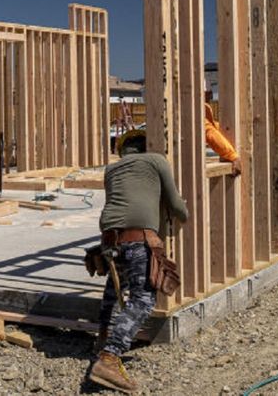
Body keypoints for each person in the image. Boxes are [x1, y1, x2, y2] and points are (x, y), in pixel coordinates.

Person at [88, 145, 189, 393]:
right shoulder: (157, 159)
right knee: (143, 298)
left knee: (114, 286)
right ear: (146, 147)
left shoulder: (111, 169)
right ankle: (110, 357)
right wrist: (184, 214)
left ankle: (102, 339)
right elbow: (175, 205)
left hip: (109, 239)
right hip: (137, 238)